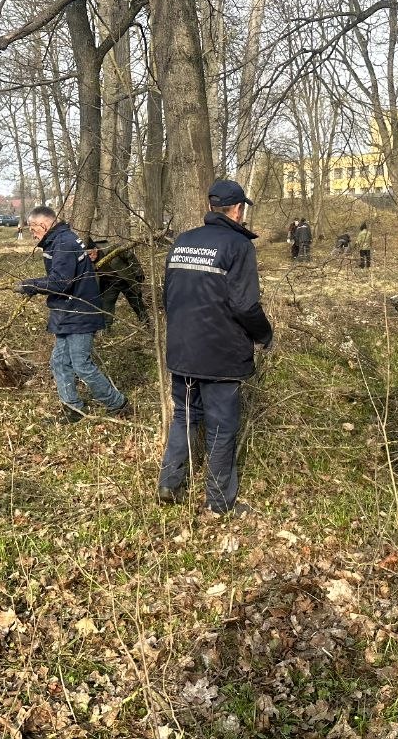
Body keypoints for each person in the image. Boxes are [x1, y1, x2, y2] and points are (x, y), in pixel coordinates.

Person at [158, 179, 273, 515]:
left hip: (181, 351)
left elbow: (169, 296)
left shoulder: (183, 241)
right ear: (237, 209)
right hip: (221, 356)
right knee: (222, 427)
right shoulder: (238, 246)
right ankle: (220, 502)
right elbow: (245, 306)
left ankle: (169, 483)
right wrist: (264, 335)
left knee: (184, 417)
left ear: (211, 207)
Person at [15, 206, 128, 421]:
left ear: (44, 224)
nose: (32, 233)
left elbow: (61, 282)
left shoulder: (64, 243)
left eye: (32, 228)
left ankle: (117, 402)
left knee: (81, 365)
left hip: (80, 311)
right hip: (67, 311)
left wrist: (31, 285)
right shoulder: (59, 241)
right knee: (59, 362)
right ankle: (73, 408)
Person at [87, 239, 149, 329]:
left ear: (95, 249)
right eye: (87, 255)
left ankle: (147, 326)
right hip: (109, 284)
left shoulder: (111, 248)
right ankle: (105, 332)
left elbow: (130, 256)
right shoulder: (87, 261)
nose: (89, 257)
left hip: (125, 280)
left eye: (90, 254)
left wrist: (138, 273)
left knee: (137, 304)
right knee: (106, 308)